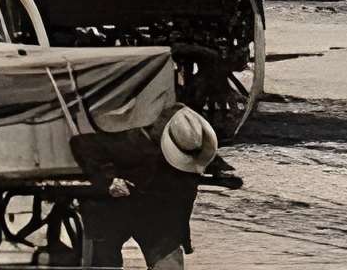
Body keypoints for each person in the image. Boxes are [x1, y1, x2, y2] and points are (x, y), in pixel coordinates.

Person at [68, 103, 235, 270]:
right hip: (114, 208)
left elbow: (201, 154)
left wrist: (218, 169)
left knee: (169, 262)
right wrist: (110, 180)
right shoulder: (128, 136)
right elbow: (81, 145)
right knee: (104, 260)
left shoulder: (190, 132)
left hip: (159, 214)